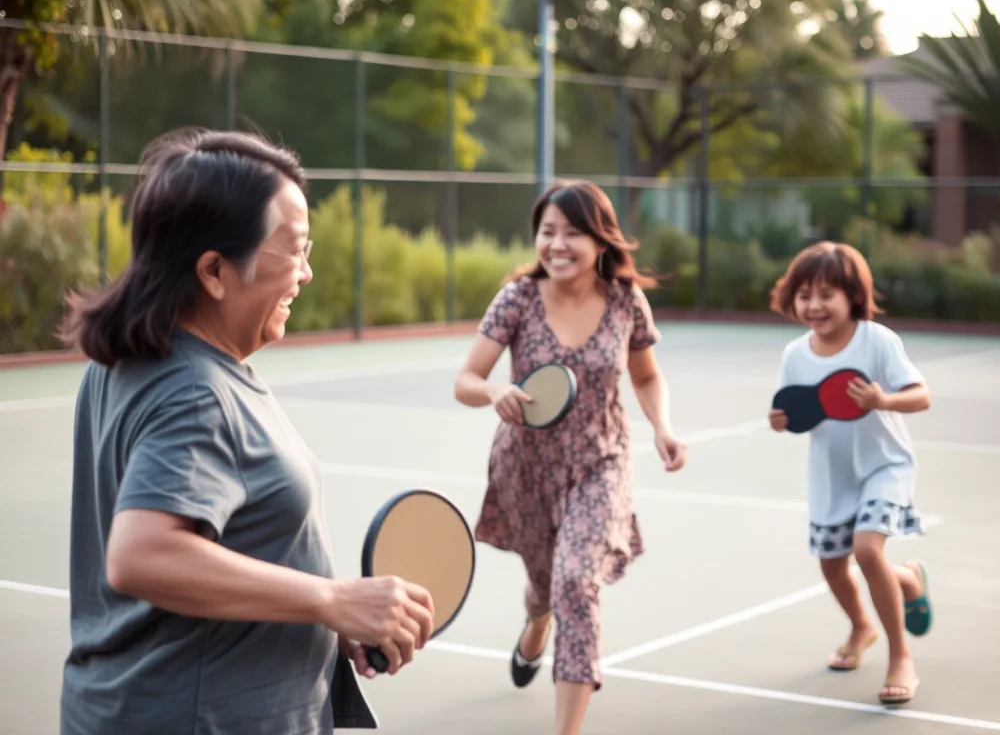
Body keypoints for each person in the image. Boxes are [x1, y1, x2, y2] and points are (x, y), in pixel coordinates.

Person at [56, 127, 435, 735]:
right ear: (213, 269)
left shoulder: (129, 364)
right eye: (296, 250)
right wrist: (331, 600)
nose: (306, 273)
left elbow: (228, 549)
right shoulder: (195, 392)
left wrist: (326, 620)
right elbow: (143, 555)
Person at [453, 180, 687, 735]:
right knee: (545, 587)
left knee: (576, 583)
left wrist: (662, 426)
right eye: (547, 232)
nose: (557, 244)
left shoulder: (627, 302)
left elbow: (647, 375)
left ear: (601, 240)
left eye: (572, 233)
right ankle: (536, 621)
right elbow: (466, 380)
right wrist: (492, 393)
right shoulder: (516, 299)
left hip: (600, 463)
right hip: (525, 468)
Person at [766, 240, 934, 706]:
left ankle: (901, 656)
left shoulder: (876, 340)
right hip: (831, 476)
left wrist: (884, 400)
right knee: (832, 565)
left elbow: (921, 396)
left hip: (885, 466)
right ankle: (869, 619)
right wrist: (779, 422)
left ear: (852, 295)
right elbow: (797, 411)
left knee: (865, 548)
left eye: (826, 294)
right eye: (804, 295)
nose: (813, 305)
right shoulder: (795, 354)